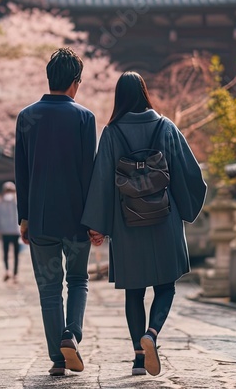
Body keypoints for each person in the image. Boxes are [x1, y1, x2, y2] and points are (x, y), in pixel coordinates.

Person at [81, 71, 207, 377]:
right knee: (166, 286)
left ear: (119, 97)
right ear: (144, 93)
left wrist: (98, 225)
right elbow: (189, 173)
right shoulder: (166, 127)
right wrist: (185, 209)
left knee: (133, 292)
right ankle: (151, 334)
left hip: (127, 223)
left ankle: (139, 358)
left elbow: (101, 181)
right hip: (165, 219)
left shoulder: (112, 133)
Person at [14, 47, 102, 377]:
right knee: (78, 280)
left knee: (49, 289)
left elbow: (21, 172)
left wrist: (24, 217)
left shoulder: (27, 117)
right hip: (76, 218)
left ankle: (58, 358)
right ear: (75, 82)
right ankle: (71, 335)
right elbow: (88, 174)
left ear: (49, 78)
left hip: (40, 217)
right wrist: (94, 220)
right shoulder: (84, 118)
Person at [0, 181, 22, 282]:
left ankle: (9, 271)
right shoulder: (17, 200)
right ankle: (13, 273)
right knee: (15, 253)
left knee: (7, 252)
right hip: (14, 230)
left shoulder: (0, 201)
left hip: (7, 230)